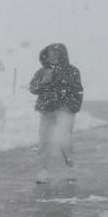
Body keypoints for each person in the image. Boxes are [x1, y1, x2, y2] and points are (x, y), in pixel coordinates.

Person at [27, 43, 84, 182]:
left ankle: (71, 168)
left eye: (56, 54)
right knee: (44, 142)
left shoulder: (72, 71)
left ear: (62, 55)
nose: (53, 56)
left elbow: (78, 91)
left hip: (65, 112)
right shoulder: (42, 71)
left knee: (64, 142)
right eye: (50, 54)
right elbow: (33, 89)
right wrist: (44, 82)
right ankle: (43, 171)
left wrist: (72, 108)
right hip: (46, 112)